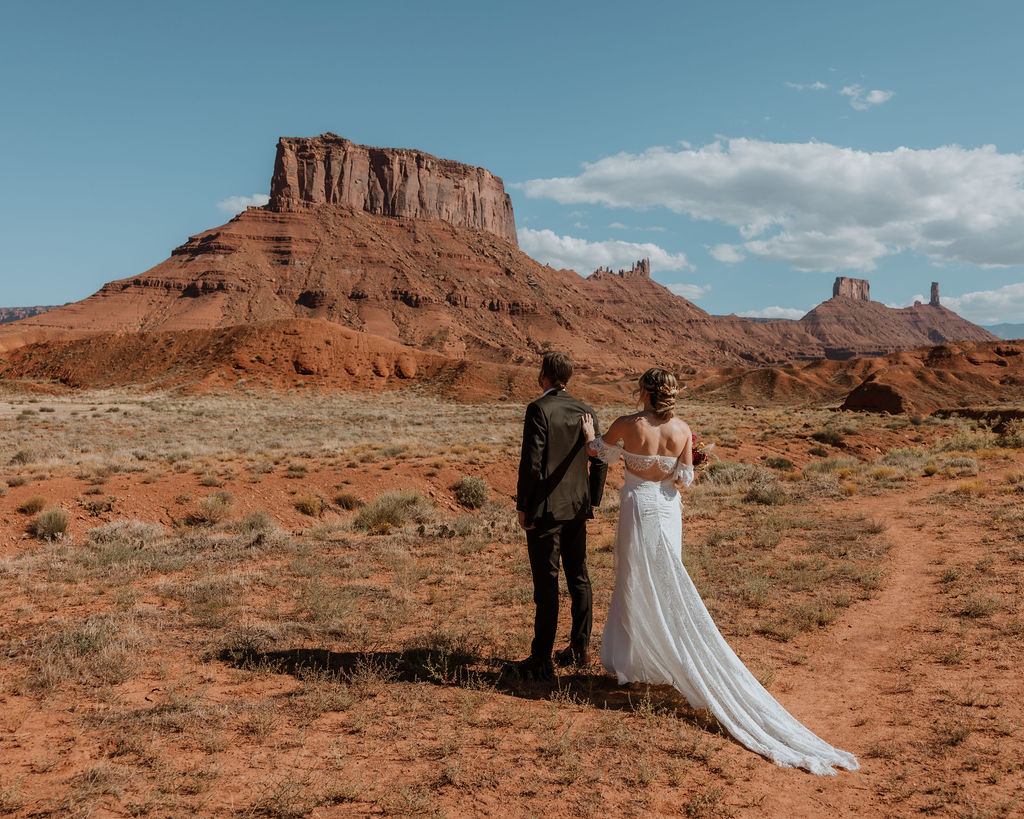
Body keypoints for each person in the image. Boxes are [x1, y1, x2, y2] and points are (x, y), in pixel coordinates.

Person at [581, 367, 859, 775]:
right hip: (668, 510)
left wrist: (590, 431)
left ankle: (634, 662)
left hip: (637, 508)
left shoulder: (627, 423)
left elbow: (597, 453)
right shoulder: (683, 431)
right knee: (666, 579)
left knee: (634, 580)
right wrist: (688, 463)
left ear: (645, 391)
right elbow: (685, 479)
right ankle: (655, 658)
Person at [514, 351, 608, 680]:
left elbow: (533, 464)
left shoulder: (538, 409)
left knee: (547, 582)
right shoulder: (586, 411)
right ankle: (580, 649)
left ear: (545, 375)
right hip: (578, 508)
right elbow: (601, 457)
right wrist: (592, 499)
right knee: (579, 577)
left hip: (546, 510)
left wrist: (524, 505)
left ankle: (541, 658)